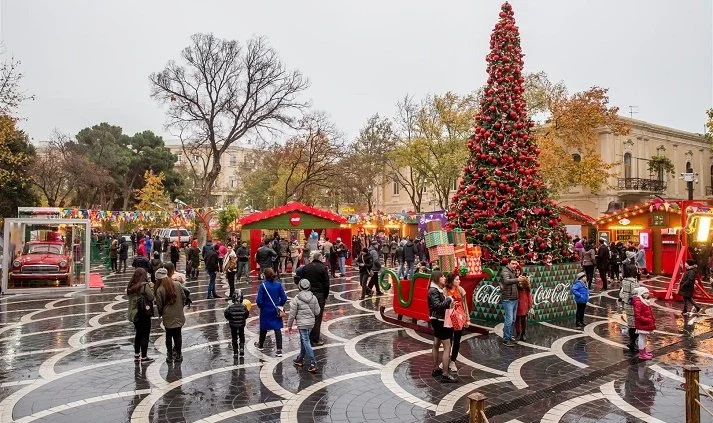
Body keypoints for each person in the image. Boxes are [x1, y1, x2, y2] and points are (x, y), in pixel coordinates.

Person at [295, 251, 330, 346]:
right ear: (319, 258)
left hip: (307, 294)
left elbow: (301, 281)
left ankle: (306, 337)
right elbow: (326, 283)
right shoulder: (323, 268)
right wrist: (325, 295)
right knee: (317, 317)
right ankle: (315, 339)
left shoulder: (306, 267)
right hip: (319, 295)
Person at [427, 271, 456, 383]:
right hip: (440, 321)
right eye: (442, 276)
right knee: (447, 346)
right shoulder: (434, 291)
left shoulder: (435, 289)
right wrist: (448, 299)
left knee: (436, 344)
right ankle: (445, 373)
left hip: (437, 320)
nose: (444, 278)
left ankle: (436, 369)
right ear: (437, 278)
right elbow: (437, 306)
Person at [287, 279, 321, 373]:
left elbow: (292, 315)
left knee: (305, 341)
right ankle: (300, 359)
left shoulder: (296, 299)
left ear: (299, 287)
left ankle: (313, 363)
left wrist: (289, 326)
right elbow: (317, 312)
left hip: (302, 324)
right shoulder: (313, 298)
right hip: (311, 323)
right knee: (304, 340)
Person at [154, 267, 186, 363]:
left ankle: (169, 356)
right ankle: (179, 355)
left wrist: (161, 313)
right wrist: (180, 307)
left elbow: (159, 305)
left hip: (167, 315)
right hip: (178, 314)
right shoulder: (177, 284)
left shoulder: (160, 289)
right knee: (178, 335)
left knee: (169, 335)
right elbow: (184, 297)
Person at [254, 268, 287, 356]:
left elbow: (259, 300)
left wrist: (262, 307)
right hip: (276, 309)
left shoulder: (263, 285)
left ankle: (261, 345)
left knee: (263, 328)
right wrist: (279, 305)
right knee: (277, 329)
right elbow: (284, 298)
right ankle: (279, 349)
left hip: (265, 310)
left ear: (264, 275)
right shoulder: (278, 285)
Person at [127, 268, 155, 363]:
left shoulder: (131, 286)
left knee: (138, 334)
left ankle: (136, 354)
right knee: (145, 335)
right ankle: (144, 356)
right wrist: (151, 288)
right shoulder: (144, 286)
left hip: (134, 314)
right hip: (143, 313)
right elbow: (151, 297)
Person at [444, 273, 469, 372]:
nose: (459, 281)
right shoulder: (445, 291)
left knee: (457, 340)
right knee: (448, 340)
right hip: (449, 315)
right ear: (452, 281)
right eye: (457, 279)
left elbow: (465, 304)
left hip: (459, 315)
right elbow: (443, 305)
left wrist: (467, 318)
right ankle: (446, 359)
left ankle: (453, 361)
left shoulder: (461, 290)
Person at [500, 258, 523, 346]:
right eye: (512, 263)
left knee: (513, 320)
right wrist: (518, 279)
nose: (514, 265)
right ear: (508, 263)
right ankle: (506, 340)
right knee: (509, 320)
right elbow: (506, 281)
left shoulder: (512, 271)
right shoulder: (505, 271)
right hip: (508, 299)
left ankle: (509, 336)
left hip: (514, 298)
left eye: (515, 264)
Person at [619, 262, 640, 352]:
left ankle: (632, 342)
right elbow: (635, 292)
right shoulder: (633, 282)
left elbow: (623, 292)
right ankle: (633, 343)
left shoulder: (624, 280)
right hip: (634, 304)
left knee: (631, 324)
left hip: (627, 304)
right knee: (635, 325)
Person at [631, 287, 656, 360]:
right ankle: (642, 354)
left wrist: (651, 319)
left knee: (644, 338)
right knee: (642, 338)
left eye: (647, 293)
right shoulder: (639, 302)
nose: (646, 294)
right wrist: (647, 320)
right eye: (644, 293)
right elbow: (637, 315)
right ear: (640, 294)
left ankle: (644, 352)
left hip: (645, 323)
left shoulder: (644, 301)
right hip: (642, 323)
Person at [224, 290, 249, 357]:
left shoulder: (230, 307)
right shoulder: (244, 307)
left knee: (234, 338)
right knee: (241, 336)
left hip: (233, 325)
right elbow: (246, 315)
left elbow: (226, 314)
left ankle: (235, 352)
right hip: (241, 324)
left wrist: (230, 319)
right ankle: (241, 348)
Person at [515, 275, 533, 341]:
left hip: (524, 305)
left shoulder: (526, 287)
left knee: (523, 320)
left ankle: (523, 334)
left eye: (521, 282)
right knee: (516, 320)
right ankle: (518, 333)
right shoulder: (515, 286)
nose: (520, 283)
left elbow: (529, 296)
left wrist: (530, 305)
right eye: (519, 282)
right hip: (517, 304)